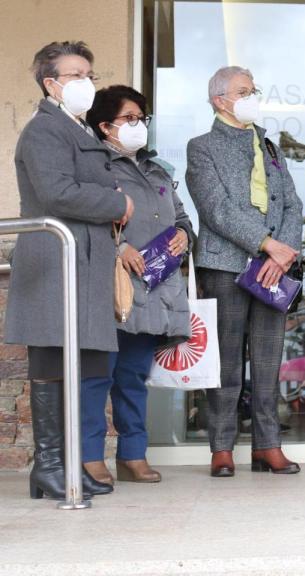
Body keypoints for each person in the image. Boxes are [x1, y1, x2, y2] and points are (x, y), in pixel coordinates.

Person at [7, 41, 134, 499]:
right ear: (51, 83)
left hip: (81, 261)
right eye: (76, 74)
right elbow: (57, 191)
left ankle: (60, 465)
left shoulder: (72, 128)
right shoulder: (45, 130)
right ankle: (51, 467)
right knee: (53, 365)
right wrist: (118, 202)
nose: (86, 82)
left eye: (89, 74)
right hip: (56, 261)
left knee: (78, 368)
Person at [186, 66, 303, 477]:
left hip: (273, 268)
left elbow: (292, 203)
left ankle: (268, 446)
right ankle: (221, 447)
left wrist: (280, 255)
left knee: (269, 360)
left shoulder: (270, 147)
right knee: (226, 361)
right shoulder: (201, 147)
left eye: (253, 90)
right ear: (220, 100)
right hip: (225, 264)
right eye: (243, 91)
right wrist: (266, 244)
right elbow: (216, 209)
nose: (252, 96)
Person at [79, 85, 194, 484]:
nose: (137, 125)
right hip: (111, 287)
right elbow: (87, 217)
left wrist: (184, 235)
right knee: (98, 376)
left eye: (141, 119)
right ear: (105, 125)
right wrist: (119, 247)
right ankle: (90, 455)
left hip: (155, 288)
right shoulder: (95, 166)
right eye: (129, 118)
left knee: (132, 377)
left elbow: (180, 217)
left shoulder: (157, 168)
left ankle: (133, 454)